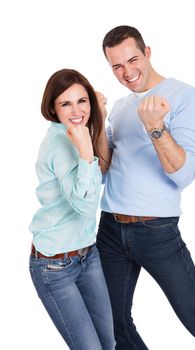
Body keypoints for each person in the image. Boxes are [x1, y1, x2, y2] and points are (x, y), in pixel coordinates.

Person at [96, 25, 195, 349]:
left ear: (147, 53)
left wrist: (155, 127)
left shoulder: (185, 96)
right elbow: (103, 169)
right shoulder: (120, 106)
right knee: (113, 324)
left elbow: (183, 174)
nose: (127, 72)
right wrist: (100, 122)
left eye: (132, 60)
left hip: (155, 231)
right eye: (117, 66)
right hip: (111, 229)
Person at [29, 68, 115, 350]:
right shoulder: (61, 145)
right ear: (53, 109)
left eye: (82, 101)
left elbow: (100, 168)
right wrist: (85, 150)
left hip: (88, 256)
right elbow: (85, 207)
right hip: (54, 266)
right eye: (66, 103)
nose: (77, 110)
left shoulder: (78, 135)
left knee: (109, 343)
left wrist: (98, 117)